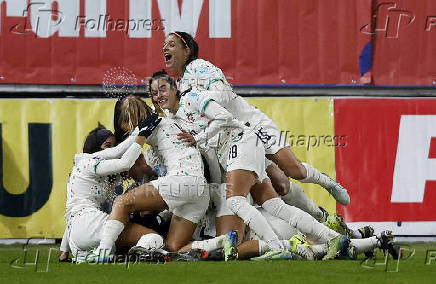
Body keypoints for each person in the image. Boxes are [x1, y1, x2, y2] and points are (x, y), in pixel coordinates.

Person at [147, 70, 348, 260]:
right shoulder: (174, 121)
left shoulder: (192, 99)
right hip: (237, 151)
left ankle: (276, 246)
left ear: (175, 89)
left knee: (236, 201)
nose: (158, 95)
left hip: (240, 141)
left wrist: (198, 137)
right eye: (154, 93)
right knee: (275, 206)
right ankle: (333, 238)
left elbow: (224, 117)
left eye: (163, 88)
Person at [162, 31, 350, 207]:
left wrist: (200, 100)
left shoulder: (200, 67)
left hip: (251, 124)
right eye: (164, 45)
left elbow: (224, 95)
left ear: (187, 51)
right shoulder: (179, 85)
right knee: (280, 184)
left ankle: (327, 182)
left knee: (295, 171)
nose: (165, 48)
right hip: (233, 139)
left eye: (171, 45)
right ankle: (317, 217)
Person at [95, 96, 215, 259]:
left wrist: (87, 159)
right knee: (173, 248)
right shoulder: (164, 119)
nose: (125, 130)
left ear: (127, 117)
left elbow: (118, 152)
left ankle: (102, 253)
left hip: (182, 181)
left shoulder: (146, 125)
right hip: (200, 189)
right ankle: (220, 242)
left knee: (121, 202)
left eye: (123, 123)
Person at [65, 124, 163, 261]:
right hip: (93, 225)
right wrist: (141, 136)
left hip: (78, 236)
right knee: (153, 238)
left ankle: (103, 256)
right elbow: (124, 162)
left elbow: (71, 213)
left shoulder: (89, 168)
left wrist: (64, 251)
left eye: (114, 145)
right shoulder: (88, 162)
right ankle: (119, 255)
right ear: (96, 148)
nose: (112, 150)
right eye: (107, 145)